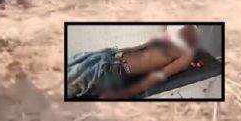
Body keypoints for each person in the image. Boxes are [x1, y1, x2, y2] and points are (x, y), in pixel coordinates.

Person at [67, 25, 200, 99]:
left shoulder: (186, 54)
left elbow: (160, 75)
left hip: (110, 72)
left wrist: (124, 94)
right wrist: (115, 52)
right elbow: (138, 48)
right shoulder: (168, 37)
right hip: (107, 56)